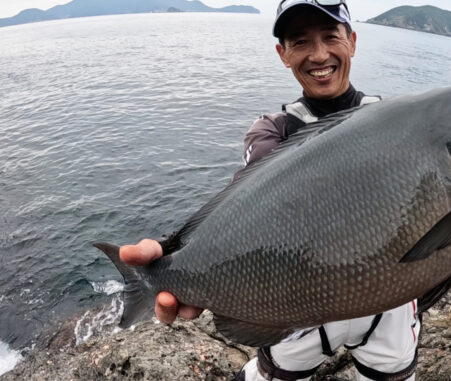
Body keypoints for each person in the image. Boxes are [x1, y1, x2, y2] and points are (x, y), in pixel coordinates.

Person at [120, 1, 420, 380]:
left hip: (387, 301)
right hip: (296, 304)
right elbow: (249, 204)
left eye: (331, 37)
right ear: (283, 54)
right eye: (300, 42)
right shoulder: (270, 131)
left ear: (353, 41)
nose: (319, 54)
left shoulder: (394, 122)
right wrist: (174, 249)